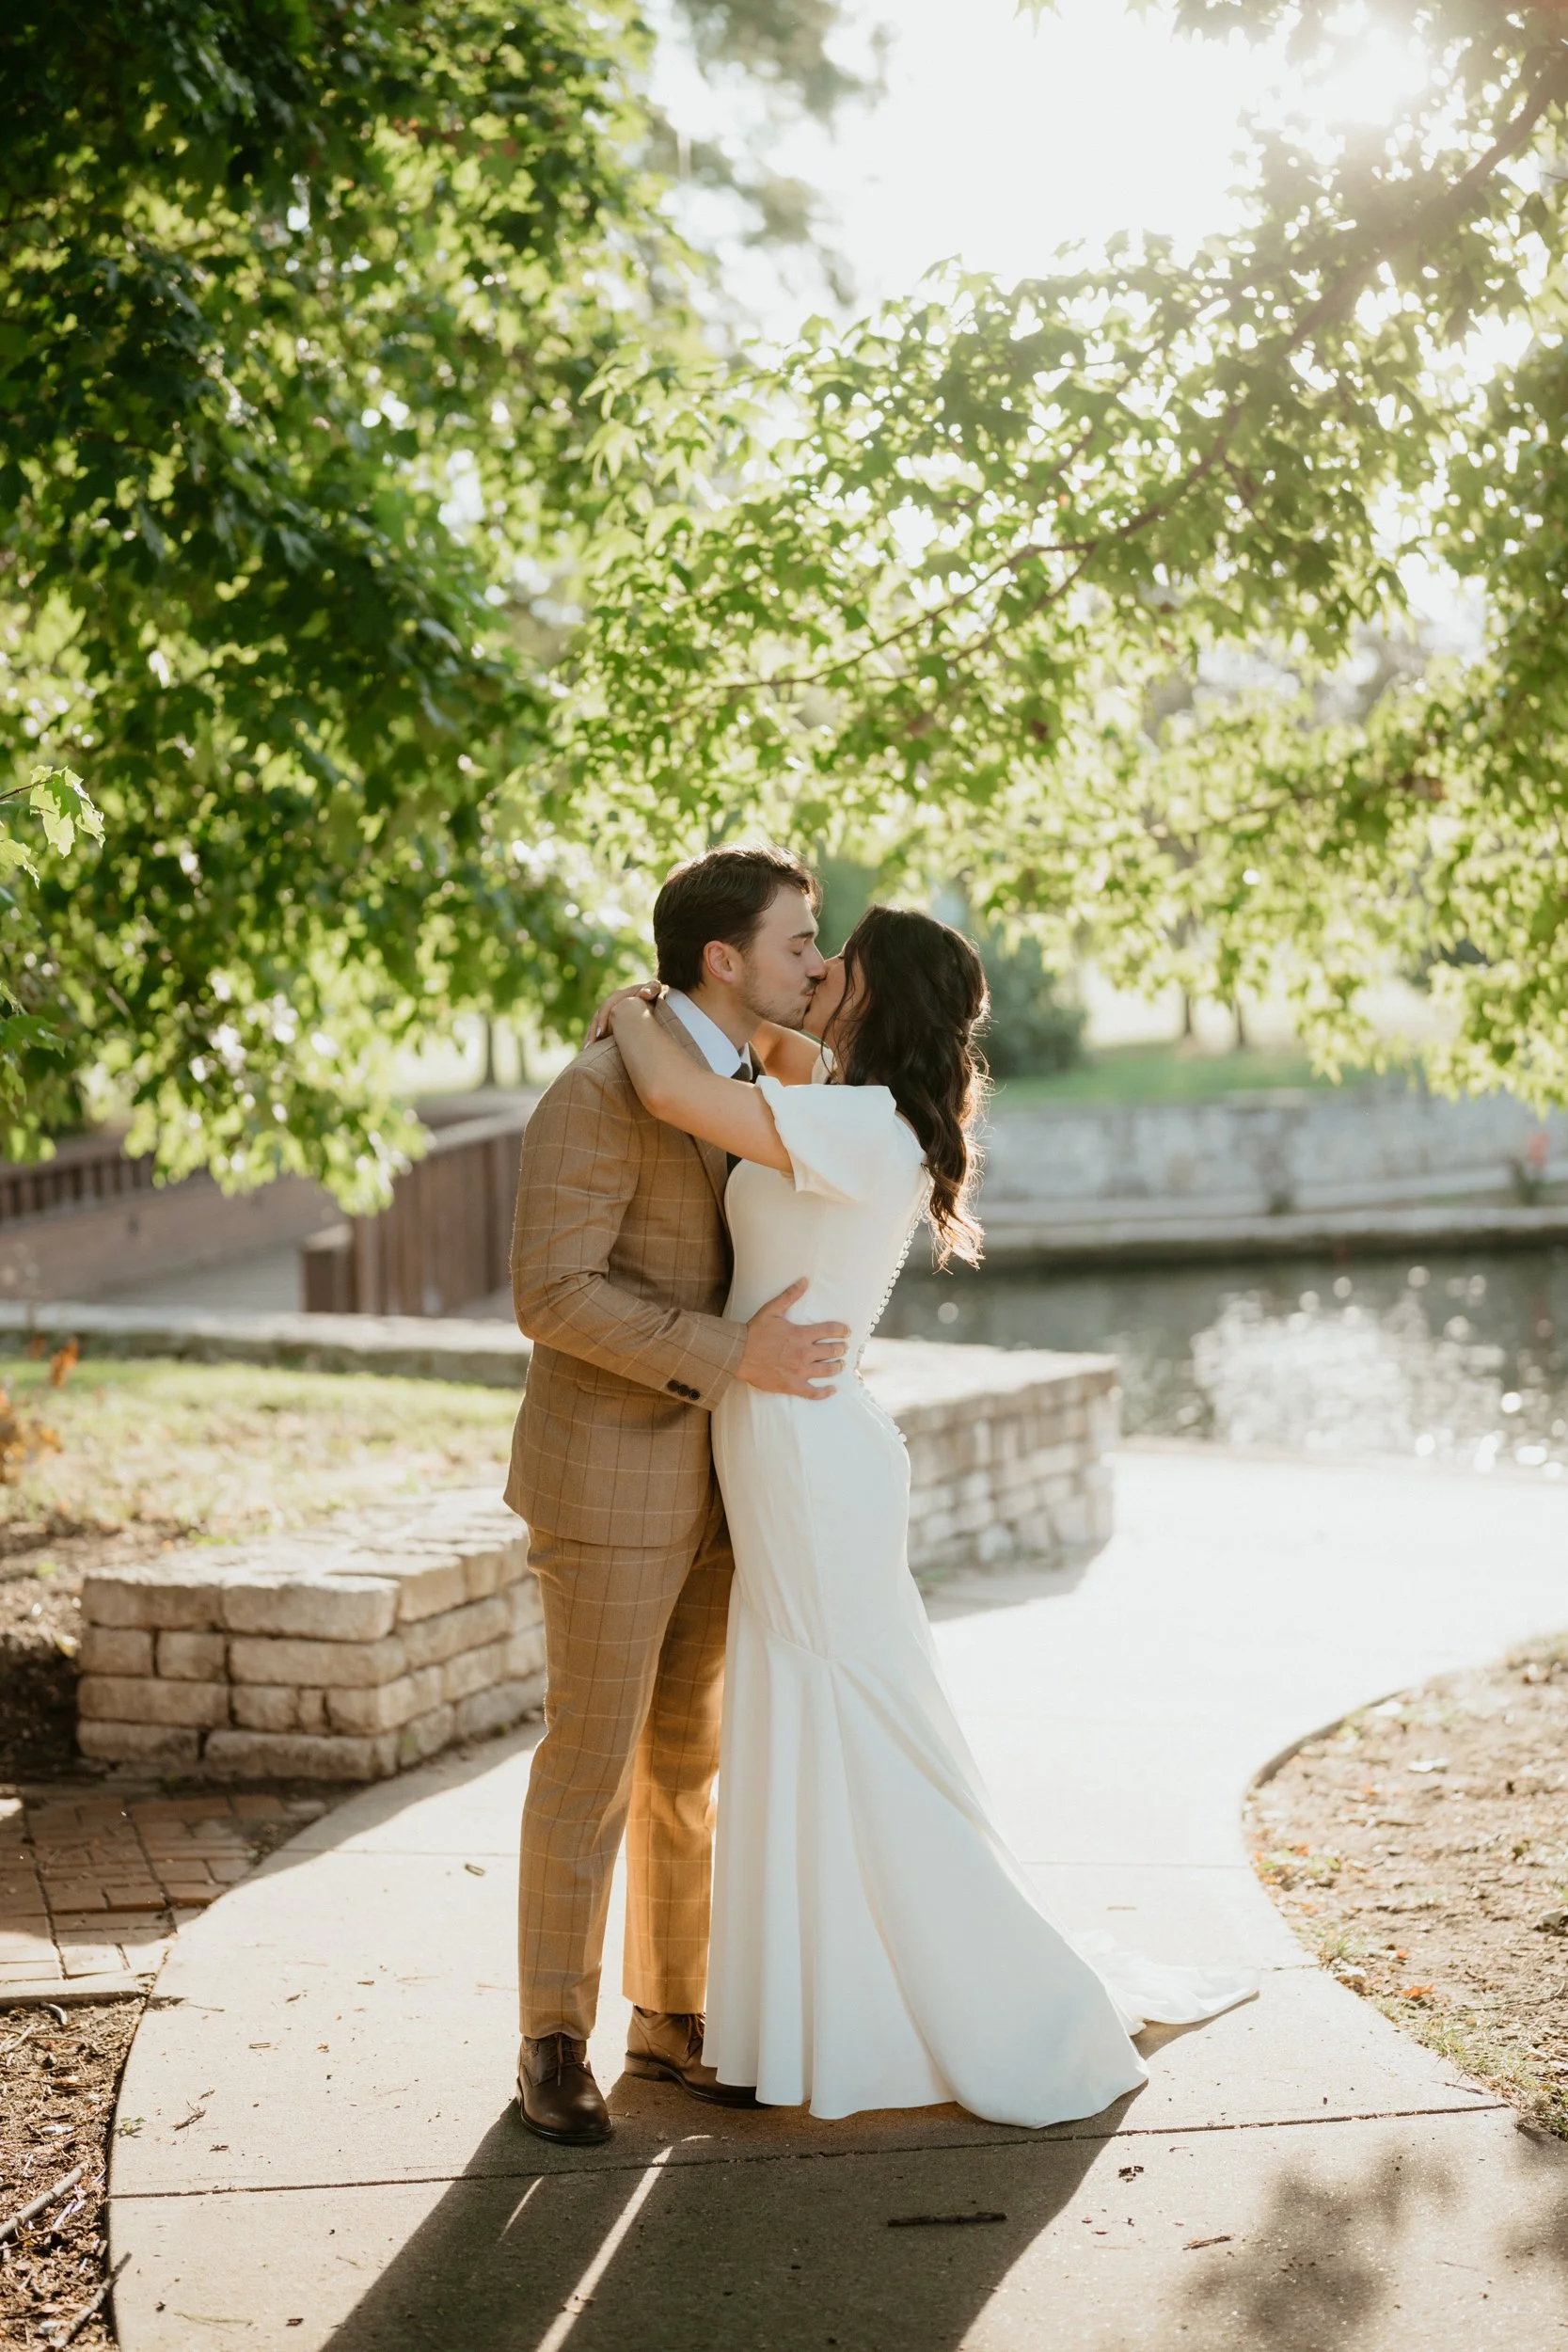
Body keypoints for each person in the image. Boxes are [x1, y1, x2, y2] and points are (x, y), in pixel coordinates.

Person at [603, 901, 1256, 2124]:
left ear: (875, 994)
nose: (818, 969)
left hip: (806, 1454)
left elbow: (682, 1098)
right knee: (826, 1710)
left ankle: (969, 1996)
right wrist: (760, 1015)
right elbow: (768, 1059)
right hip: (792, 1437)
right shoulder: (851, 1104)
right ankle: (809, 2010)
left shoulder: (861, 1125)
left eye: (836, 960)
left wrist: (638, 1008)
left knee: (854, 1718)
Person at [506, 845, 850, 2146]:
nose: (815, 963)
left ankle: (671, 2013)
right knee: (588, 1762)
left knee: (688, 1762)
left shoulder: (769, 1080)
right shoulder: (600, 1092)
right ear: (723, 956)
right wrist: (728, 1357)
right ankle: (550, 2038)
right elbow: (551, 1293)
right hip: (606, 1473)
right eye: (798, 941)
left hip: (732, 1480)